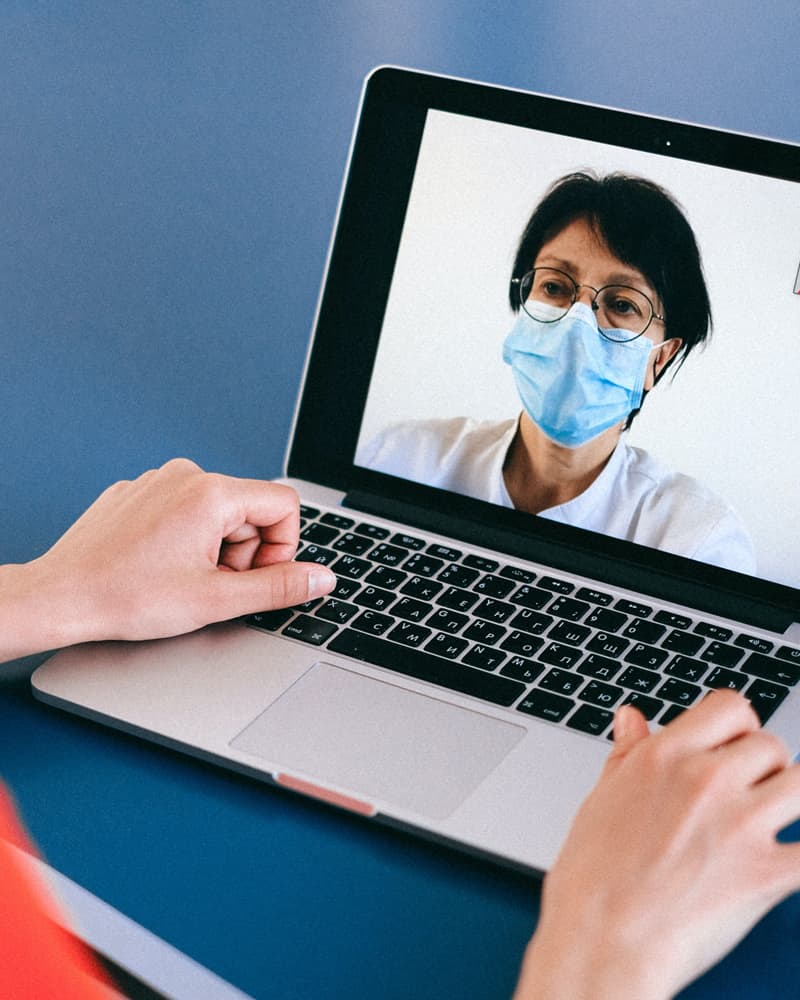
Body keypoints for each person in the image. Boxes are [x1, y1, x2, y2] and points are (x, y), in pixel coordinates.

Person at [1, 459, 798, 998]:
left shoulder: (706, 529)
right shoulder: (419, 450)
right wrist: (605, 955)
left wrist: (46, 593)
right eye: (554, 288)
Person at [358, 171, 756, 575]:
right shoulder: (401, 458)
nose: (577, 324)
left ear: (660, 358)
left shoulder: (698, 541)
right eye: (554, 287)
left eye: (621, 304)